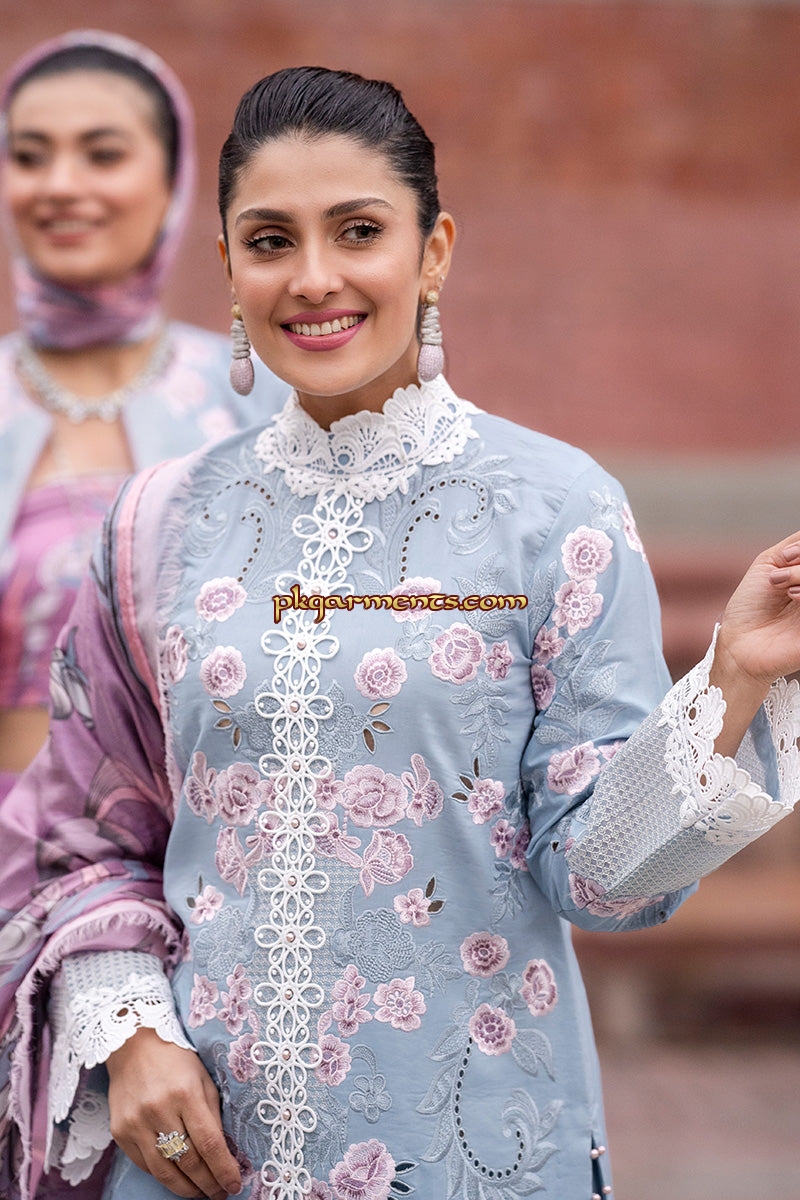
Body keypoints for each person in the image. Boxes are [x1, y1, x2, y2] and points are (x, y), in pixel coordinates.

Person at [1, 65, 799, 1200]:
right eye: (270, 241)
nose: (313, 277)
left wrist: (732, 680)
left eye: (359, 231)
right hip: (195, 1161)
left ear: (434, 252)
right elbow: (83, 837)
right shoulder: (156, 523)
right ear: (226, 267)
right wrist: (131, 1036)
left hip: (470, 1153)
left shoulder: (554, 512)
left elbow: (600, 879)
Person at [0, 29, 287, 800]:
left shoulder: (259, 397)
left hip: (218, 846)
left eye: (102, 154)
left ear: (173, 179)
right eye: (28, 156)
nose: (60, 185)